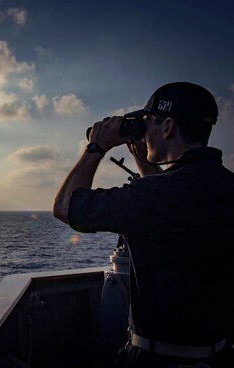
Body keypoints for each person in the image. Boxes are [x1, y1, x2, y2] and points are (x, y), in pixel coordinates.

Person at [53, 82, 234, 367]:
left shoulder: (159, 196)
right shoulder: (225, 184)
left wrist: (96, 147)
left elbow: (65, 206)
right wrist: (142, 152)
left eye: (148, 123)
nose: (145, 131)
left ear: (168, 127)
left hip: (159, 359)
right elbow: (167, 200)